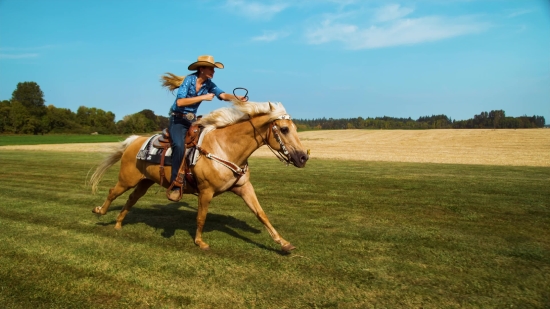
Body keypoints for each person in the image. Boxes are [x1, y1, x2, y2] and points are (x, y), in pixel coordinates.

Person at [166, 55, 244, 201]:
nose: (213, 71)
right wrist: (202, 97)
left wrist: (237, 98)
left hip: (192, 121)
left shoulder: (209, 84)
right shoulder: (188, 80)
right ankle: (176, 185)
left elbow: (222, 94)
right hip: (177, 120)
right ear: (201, 68)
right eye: (211, 68)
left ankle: (198, 177)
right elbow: (180, 102)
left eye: (214, 69)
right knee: (179, 146)